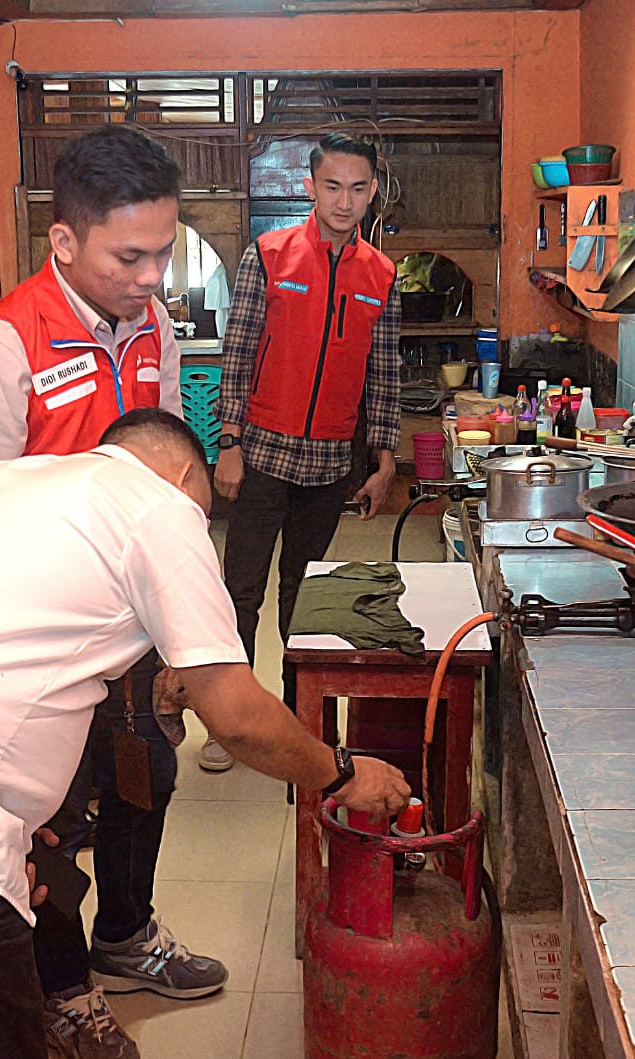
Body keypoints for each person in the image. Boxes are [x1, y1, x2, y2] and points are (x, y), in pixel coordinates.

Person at [0, 409, 410, 1059]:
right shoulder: (158, 506)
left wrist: (19, 816)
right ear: (186, 474)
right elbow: (238, 717)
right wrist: (343, 771)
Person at [0, 123, 220, 1057]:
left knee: (148, 778)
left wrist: (176, 634)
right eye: (129, 255)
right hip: (42, 646)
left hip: (133, 627)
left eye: (163, 253)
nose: (150, 276)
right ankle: (60, 988)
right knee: (51, 822)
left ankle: (126, 936)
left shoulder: (154, 327)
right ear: (64, 241)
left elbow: (171, 475)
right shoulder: (2, 346)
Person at [212, 132, 403, 770]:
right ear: (309, 187)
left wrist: (383, 461)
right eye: (332, 186)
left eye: (357, 188)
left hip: (329, 464)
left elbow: (384, 373)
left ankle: (298, 723)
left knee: (305, 595)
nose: (344, 201)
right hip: (263, 452)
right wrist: (229, 443)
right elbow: (237, 356)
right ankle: (228, 725)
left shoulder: (382, 274)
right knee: (240, 594)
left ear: (372, 191)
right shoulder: (267, 256)